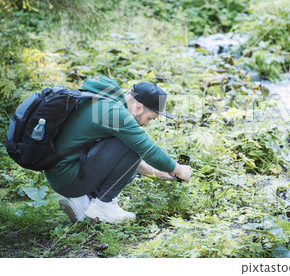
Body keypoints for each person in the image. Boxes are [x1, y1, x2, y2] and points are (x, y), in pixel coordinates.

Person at [45, 77, 192, 224]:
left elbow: (122, 160)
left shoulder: (106, 100)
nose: (146, 124)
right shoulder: (116, 113)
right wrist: (180, 170)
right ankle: (103, 205)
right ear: (139, 107)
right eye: (150, 118)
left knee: (130, 144)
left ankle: (84, 200)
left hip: (62, 172)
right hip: (68, 178)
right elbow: (147, 150)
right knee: (134, 144)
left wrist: (159, 172)